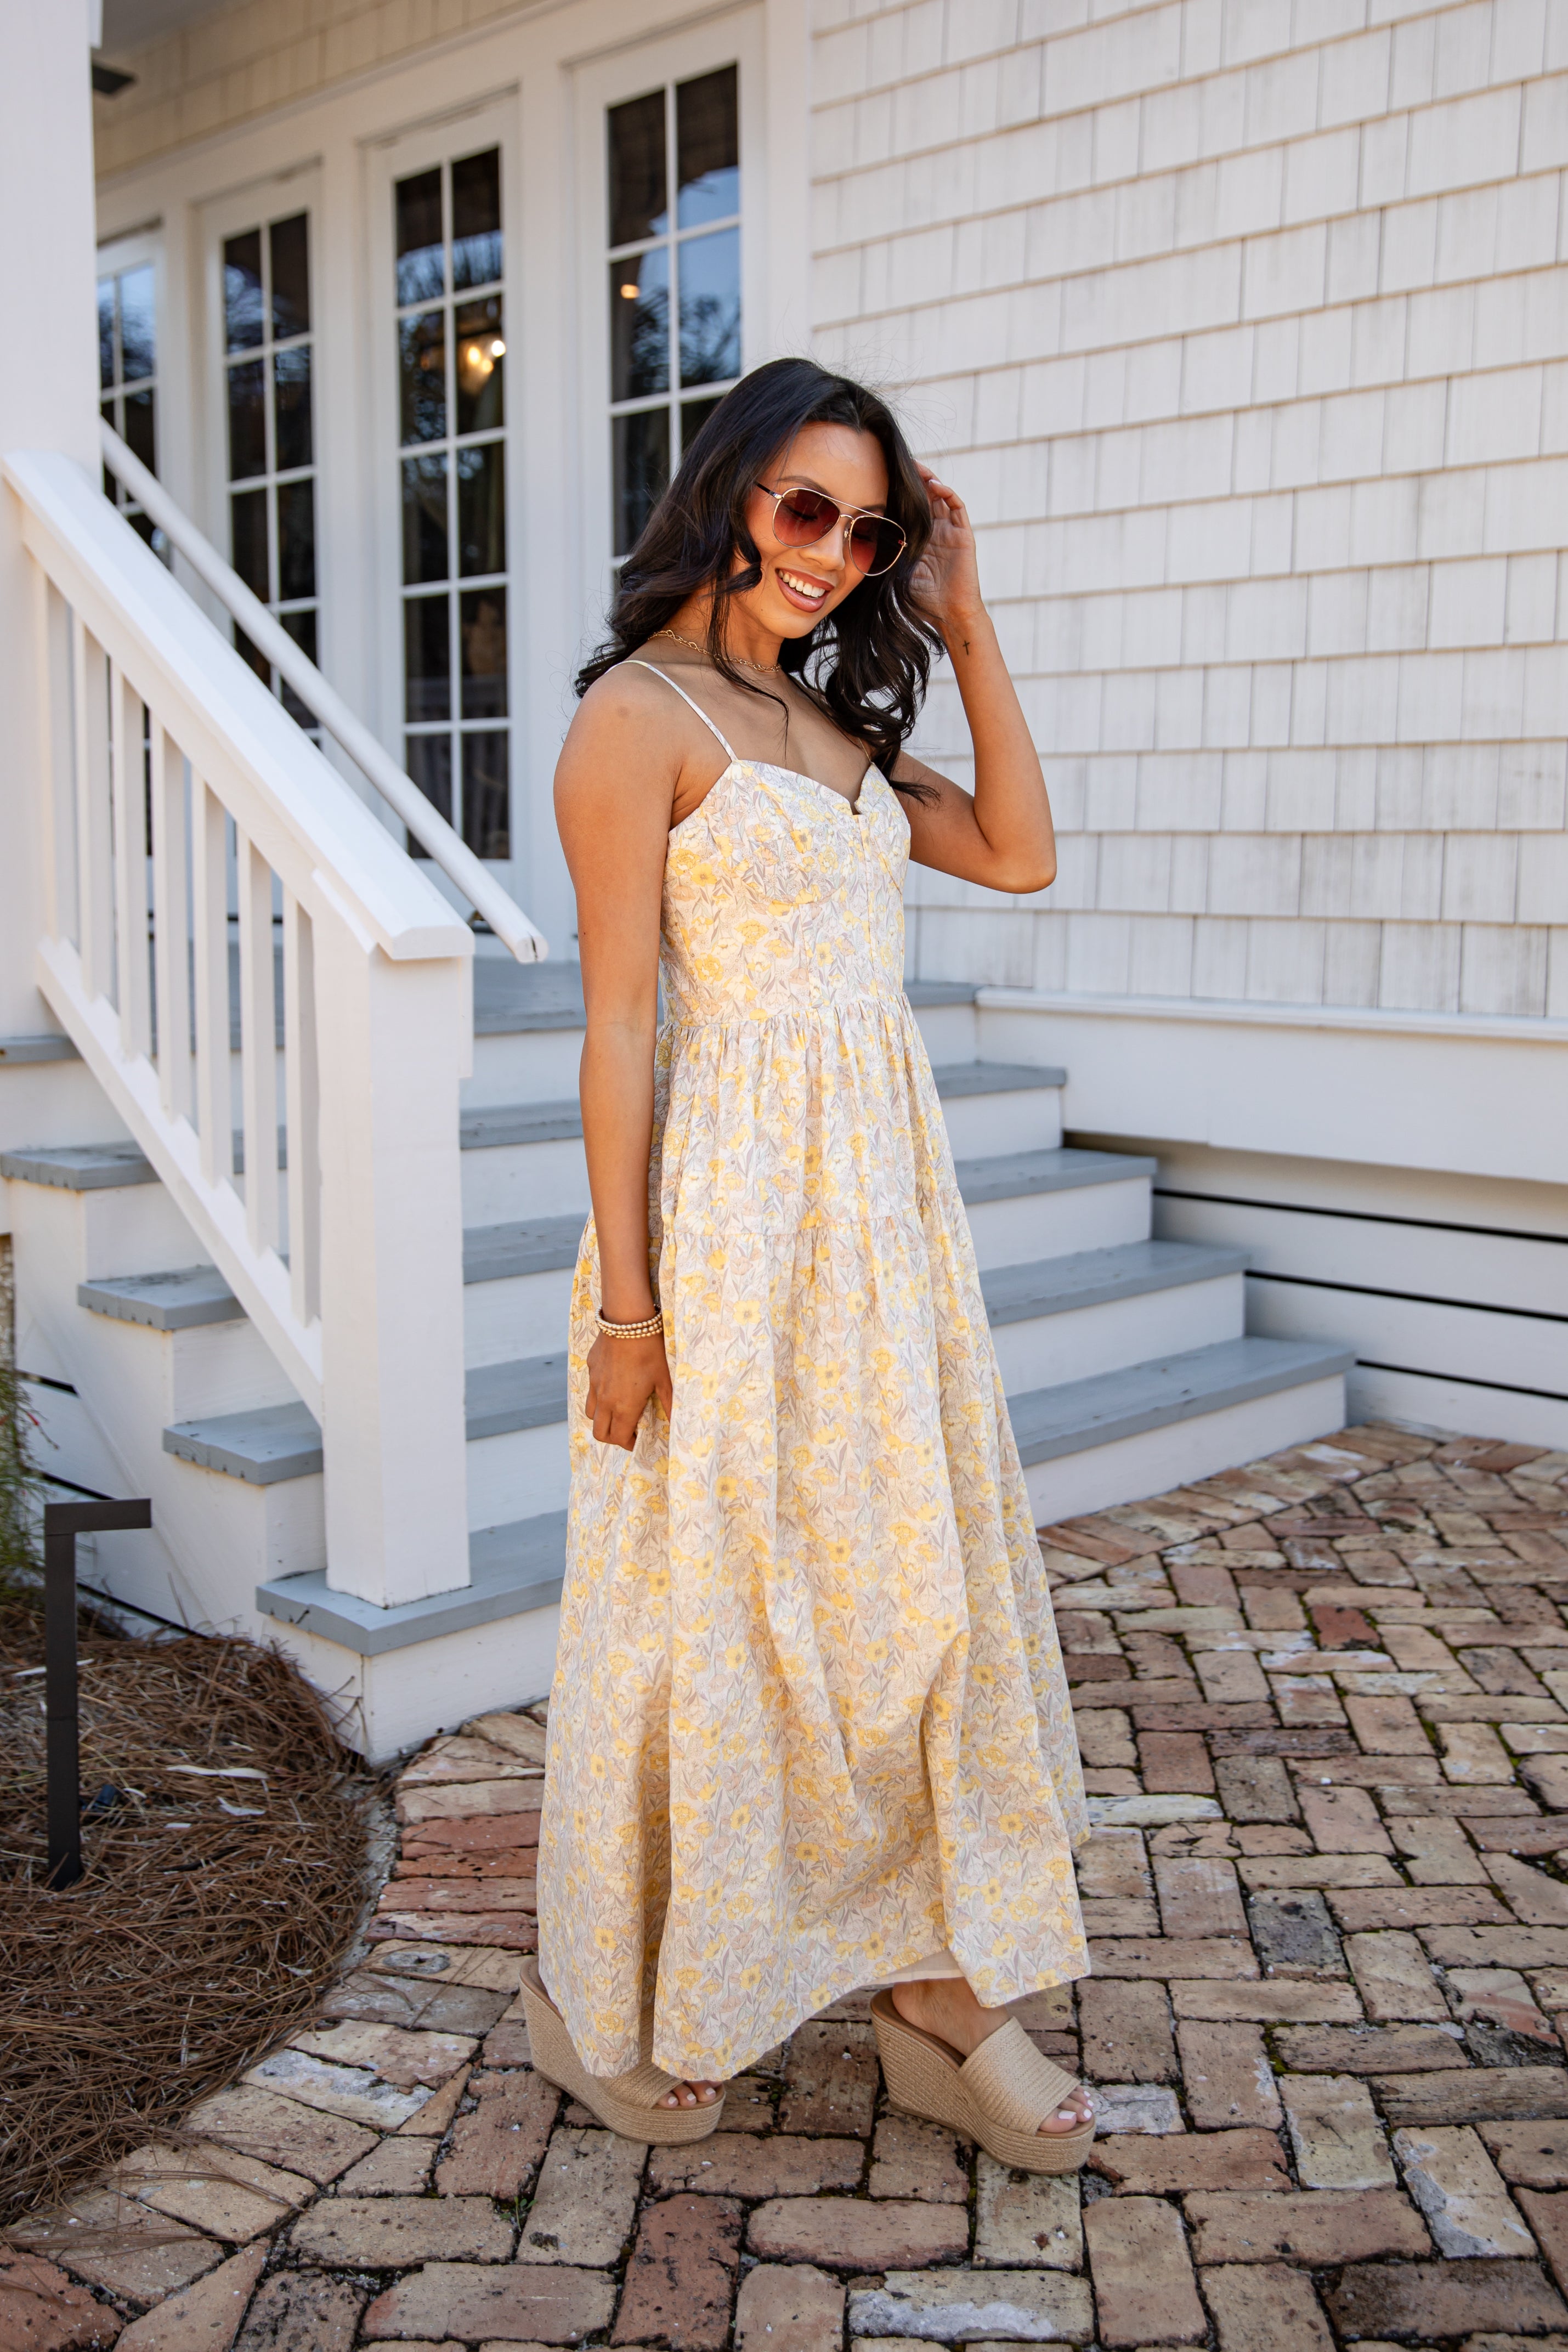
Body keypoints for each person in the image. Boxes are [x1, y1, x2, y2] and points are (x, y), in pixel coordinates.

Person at [519, 357, 1094, 2172]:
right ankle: (608, 1985)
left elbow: (1016, 853)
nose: (833, 554)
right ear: (729, 492)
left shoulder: (841, 731)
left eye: (870, 528)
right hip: (732, 1231)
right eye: (803, 511)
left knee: (907, 1605)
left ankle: (933, 1988)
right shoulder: (639, 719)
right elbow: (617, 1032)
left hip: (883, 1231)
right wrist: (628, 1310)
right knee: (712, 1621)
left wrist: (970, 624)